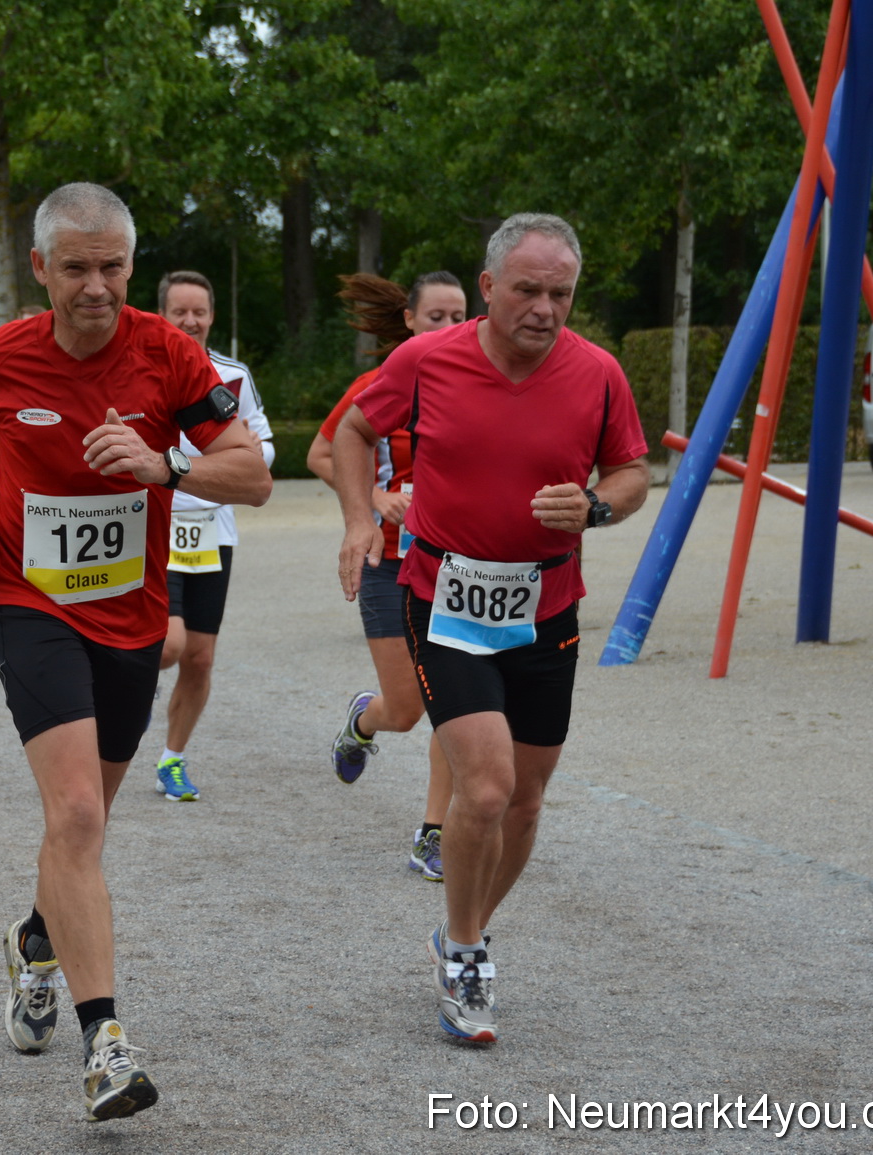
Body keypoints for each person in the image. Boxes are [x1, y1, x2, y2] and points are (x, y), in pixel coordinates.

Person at [0, 182, 271, 1121]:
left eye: (113, 266)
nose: (96, 286)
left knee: (81, 826)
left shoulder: (170, 354)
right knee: (77, 812)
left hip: (131, 617)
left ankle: (37, 940)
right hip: (29, 601)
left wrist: (170, 464)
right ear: (41, 267)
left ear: (133, 265)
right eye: (76, 267)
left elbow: (254, 474)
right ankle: (106, 1043)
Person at [332, 214, 649, 1045]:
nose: (545, 309)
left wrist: (597, 506)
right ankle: (468, 953)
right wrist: (360, 518)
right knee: (485, 787)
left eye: (561, 293)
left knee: (528, 801)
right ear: (488, 288)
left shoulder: (599, 374)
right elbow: (354, 432)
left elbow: (630, 470)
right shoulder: (427, 361)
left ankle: (458, 926)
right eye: (528, 290)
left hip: (548, 609)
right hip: (445, 599)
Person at [315, 270, 468, 882]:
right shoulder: (379, 385)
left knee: (454, 705)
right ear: (409, 320)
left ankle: (433, 834)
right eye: (436, 317)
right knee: (405, 709)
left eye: (460, 317)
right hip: (388, 562)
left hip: (455, 564)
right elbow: (322, 453)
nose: (449, 329)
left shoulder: (478, 385)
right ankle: (363, 722)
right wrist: (374, 498)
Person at [150, 270, 274, 802]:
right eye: (180, 311)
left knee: (199, 657)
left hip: (212, 530)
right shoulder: (141, 368)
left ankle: (171, 759)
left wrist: (216, 467)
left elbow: (263, 449)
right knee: (168, 646)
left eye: (199, 311)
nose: (190, 321)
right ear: (161, 315)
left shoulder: (232, 375)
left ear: (212, 316)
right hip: (153, 525)